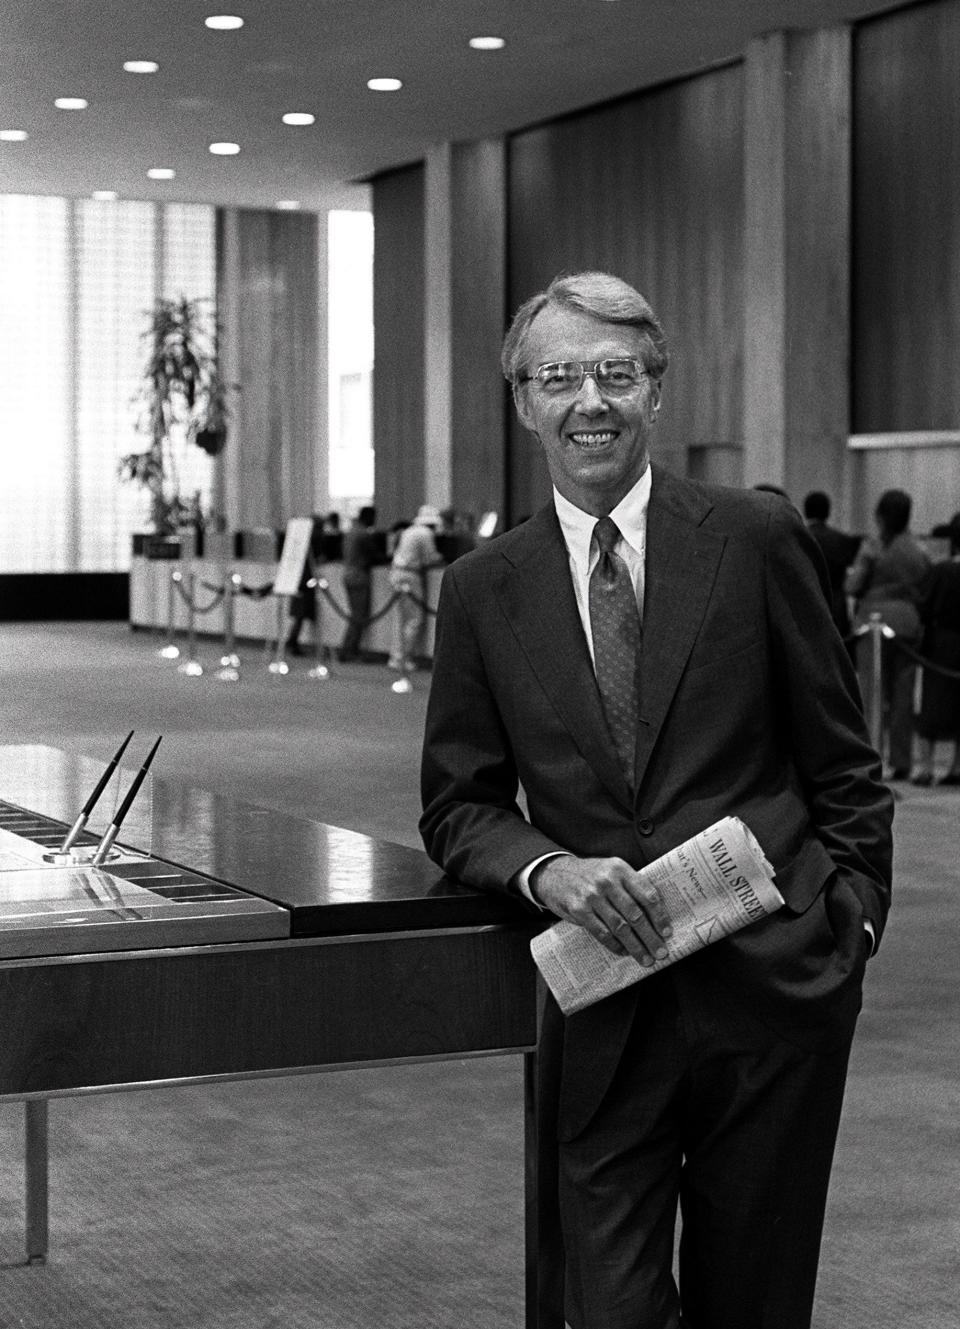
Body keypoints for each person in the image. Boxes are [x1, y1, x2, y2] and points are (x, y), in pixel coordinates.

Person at [420, 272, 893, 1329]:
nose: (591, 400)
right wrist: (549, 870)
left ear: (656, 391)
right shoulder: (484, 588)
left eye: (616, 374)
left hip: (775, 990)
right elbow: (459, 804)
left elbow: (845, 761)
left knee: (757, 1301)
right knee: (604, 1303)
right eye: (561, 376)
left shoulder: (755, 538)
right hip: (604, 1005)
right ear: (523, 401)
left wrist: (853, 920)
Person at [846, 488, 931, 779]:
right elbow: (925, 587)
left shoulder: (873, 548)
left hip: (873, 622)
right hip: (907, 623)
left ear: (881, 516)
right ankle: (902, 761)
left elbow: (853, 586)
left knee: (871, 694)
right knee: (902, 696)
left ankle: (869, 760)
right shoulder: (919, 549)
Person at [912, 513, 960, 786]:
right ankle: (956, 766)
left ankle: (927, 766)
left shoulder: (941, 571)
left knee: (931, 704)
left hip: (941, 642)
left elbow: (924, 604)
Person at [388, 504, 444, 669]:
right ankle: (404, 659)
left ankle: (396, 657)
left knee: (399, 619)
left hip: (396, 572)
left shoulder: (409, 531)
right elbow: (430, 557)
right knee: (414, 619)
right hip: (410, 575)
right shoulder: (425, 533)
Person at [803, 490, 861, 642]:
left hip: (807, 601)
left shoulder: (800, 537)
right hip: (836, 603)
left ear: (805, 511)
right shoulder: (842, 540)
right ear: (828, 512)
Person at [338, 505, 385, 662]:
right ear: (368, 517)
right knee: (358, 615)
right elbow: (374, 555)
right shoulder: (362, 534)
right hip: (359, 576)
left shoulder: (351, 531)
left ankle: (348, 648)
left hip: (348, 575)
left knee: (354, 615)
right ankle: (349, 650)